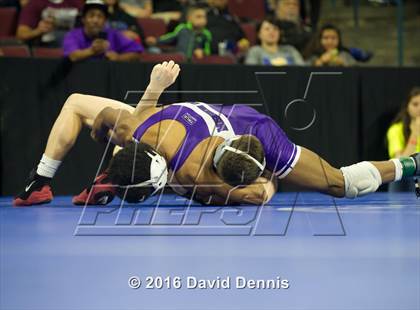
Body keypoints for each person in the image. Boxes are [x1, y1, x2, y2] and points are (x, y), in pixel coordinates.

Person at [13, 60, 420, 206]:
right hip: (197, 123)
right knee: (76, 102)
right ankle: (40, 182)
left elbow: (263, 191)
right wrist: (152, 90)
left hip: (253, 128)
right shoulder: (131, 127)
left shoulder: (195, 179)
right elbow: (104, 120)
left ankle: (413, 163)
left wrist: (255, 178)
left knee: (341, 183)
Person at [63, 0, 144, 62]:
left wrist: (119, 57)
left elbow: (137, 52)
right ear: (83, 19)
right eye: (91, 16)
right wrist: (92, 50)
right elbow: (72, 56)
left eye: (100, 16)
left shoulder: (113, 34)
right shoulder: (73, 35)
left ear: (105, 21)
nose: (95, 20)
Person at [146, 5, 212, 60]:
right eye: (198, 17)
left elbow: (208, 50)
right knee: (154, 50)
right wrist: (156, 40)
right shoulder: (182, 28)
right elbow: (170, 37)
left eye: (204, 17)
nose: (202, 20)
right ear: (189, 18)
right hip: (179, 58)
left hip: (194, 62)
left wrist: (202, 52)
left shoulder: (206, 34)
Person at [387, 87, 420, 192]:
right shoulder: (396, 130)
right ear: (407, 107)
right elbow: (401, 162)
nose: (419, 108)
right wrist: (415, 133)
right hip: (406, 178)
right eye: (415, 104)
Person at [16, 0, 82, 47]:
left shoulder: (77, 2)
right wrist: (38, 31)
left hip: (75, 43)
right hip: (46, 45)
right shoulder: (35, 3)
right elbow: (21, 34)